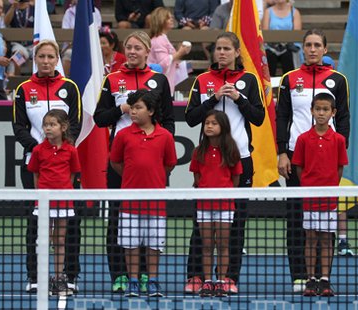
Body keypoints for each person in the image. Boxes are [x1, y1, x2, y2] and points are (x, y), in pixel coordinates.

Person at [184, 31, 265, 295]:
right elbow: (192, 117)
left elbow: (259, 117)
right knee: (202, 223)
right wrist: (214, 98)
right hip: (208, 161)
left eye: (227, 49)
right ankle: (196, 275)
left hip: (239, 159)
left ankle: (229, 278)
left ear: (236, 52)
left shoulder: (250, 80)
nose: (222, 53)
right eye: (218, 48)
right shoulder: (203, 80)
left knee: (235, 223)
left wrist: (238, 99)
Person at [94, 31, 175, 294]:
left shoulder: (159, 80)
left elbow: (168, 119)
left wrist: (159, 148)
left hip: (152, 161)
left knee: (149, 220)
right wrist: (122, 110)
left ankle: (144, 275)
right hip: (121, 161)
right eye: (128, 47)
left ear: (147, 51)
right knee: (118, 219)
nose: (132, 51)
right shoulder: (112, 79)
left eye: (137, 47)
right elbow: (99, 118)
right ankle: (119, 274)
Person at [275, 29, 350, 293]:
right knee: (297, 218)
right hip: (296, 156)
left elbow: (344, 121)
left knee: (325, 223)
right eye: (308, 45)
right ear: (303, 49)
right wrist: (282, 152)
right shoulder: (289, 78)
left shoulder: (338, 80)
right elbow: (282, 116)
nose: (312, 49)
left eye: (318, 44)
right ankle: (300, 276)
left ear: (325, 49)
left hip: (327, 157)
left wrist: (340, 152)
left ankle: (323, 278)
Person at [12, 39, 82, 295]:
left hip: (64, 165)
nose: (46, 61)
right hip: (35, 162)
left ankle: (69, 276)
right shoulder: (23, 88)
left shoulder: (70, 87)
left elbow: (74, 124)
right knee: (36, 225)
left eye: (51, 57)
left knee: (69, 227)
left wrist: (59, 146)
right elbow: (18, 127)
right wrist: (40, 148)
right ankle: (35, 276)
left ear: (57, 60)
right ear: (35, 59)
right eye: (41, 56)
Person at [109, 89, 177, 298]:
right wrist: (132, 177)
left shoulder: (165, 136)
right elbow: (115, 162)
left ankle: (154, 281)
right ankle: (133, 282)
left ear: (151, 111)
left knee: (154, 245)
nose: (133, 111)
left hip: (156, 202)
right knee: (130, 244)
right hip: (129, 201)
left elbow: (169, 164)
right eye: (132, 107)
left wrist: (153, 178)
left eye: (138, 107)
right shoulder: (122, 135)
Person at [292, 93, 348, 297]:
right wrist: (310, 186)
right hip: (310, 197)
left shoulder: (339, 140)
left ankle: (324, 279)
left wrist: (330, 187)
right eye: (318, 109)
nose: (321, 113)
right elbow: (300, 169)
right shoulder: (303, 139)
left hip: (329, 198)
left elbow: (339, 168)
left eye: (326, 109)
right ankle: (310, 279)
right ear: (312, 111)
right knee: (311, 239)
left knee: (326, 240)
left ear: (333, 112)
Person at [26, 110, 80, 296]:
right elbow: (35, 174)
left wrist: (63, 192)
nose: (48, 128)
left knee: (59, 240)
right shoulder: (38, 150)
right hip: (43, 202)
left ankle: (58, 278)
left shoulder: (71, 150)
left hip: (63, 203)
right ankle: (42, 277)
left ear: (63, 127)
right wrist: (41, 196)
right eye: (46, 125)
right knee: (43, 240)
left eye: (52, 124)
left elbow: (72, 175)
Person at [189, 110, 242, 297]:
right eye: (207, 123)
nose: (209, 126)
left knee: (223, 244)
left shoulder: (231, 150)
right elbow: (197, 176)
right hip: (204, 205)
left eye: (214, 123)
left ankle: (221, 280)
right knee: (206, 245)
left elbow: (235, 179)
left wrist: (224, 193)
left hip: (225, 206)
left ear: (223, 127)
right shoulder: (199, 151)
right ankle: (207, 281)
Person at [147, 7, 192, 94]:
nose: (172, 19)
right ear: (160, 20)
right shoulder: (159, 39)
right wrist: (180, 53)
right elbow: (162, 65)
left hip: (164, 83)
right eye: (168, 18)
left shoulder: (162, 38)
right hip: (158, 87)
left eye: (171, 17)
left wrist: (177, 61)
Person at [262, 0, 302, 76]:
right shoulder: (268, 12)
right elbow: (265, 32)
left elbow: (296, 33)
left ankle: (290, 82)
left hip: (289, 45)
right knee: (268, 55)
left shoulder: (295, 12)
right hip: (271, 46)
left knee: (288, 56)